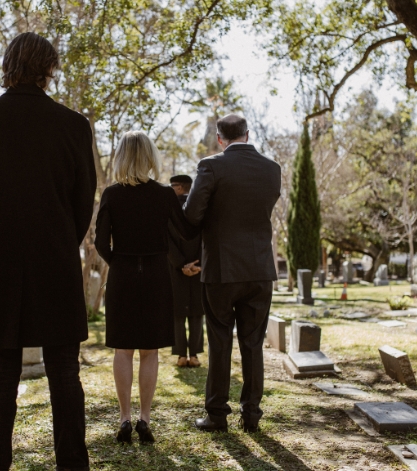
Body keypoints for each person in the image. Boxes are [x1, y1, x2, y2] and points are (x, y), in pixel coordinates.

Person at [0, 32, 96, 471]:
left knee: (0, 376)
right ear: (49, 68)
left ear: (8, 65)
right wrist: (58, 238)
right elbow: (83, 201)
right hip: (55, 261)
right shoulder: (73, 125)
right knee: (65, 374)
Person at [95, 131, 197, 444]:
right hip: (156, 274)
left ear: (121, 157)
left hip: (123, 274)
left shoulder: (111, 194)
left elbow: (101, 243)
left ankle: (124, 419)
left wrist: (119, 263)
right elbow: (186, 231)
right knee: (149, 351)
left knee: (123, 349)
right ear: (150, 156)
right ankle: (145, 419)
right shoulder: (165, 194)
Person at [184, 114, 281, 433]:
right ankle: (251, 415)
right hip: (259, 268)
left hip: (222, 268)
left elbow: (192, 215)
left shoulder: (211, 166)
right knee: (253, 344)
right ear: (247, 134)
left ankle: (216, 415)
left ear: (219, 138)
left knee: (220, 341)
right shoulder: (272, 168)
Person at [167, 175, 205, 368]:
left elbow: (166, 241)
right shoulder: (201, 209)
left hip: (176, 269)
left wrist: (181, 264)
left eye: (172, 186)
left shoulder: (167, 210)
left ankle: (181, 355)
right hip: (198, 268)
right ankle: (195, 355)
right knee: (197, 313)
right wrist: (198, 263)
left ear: (180, 187)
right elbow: (206, 238)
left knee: (178, 313)